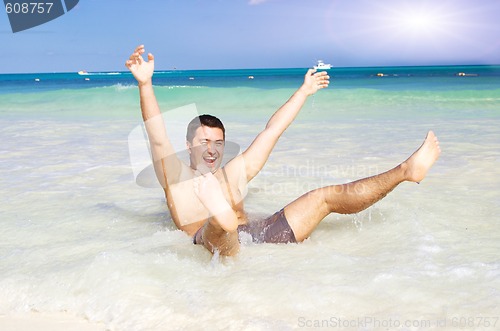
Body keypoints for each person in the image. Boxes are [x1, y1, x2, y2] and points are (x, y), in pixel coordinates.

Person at [125, 45, 441, 256]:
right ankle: (222, 220)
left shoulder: (234, 173)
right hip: (211, 241)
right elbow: (156, 137)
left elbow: (272, 130)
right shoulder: (176, 180)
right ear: (188, 145)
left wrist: (303, 91)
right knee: (219, 229)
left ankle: (404, 171)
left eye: (218, 142)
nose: (212, 149)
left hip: (262, 234)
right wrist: (145, 85)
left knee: (323, 196)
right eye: (203, 141)